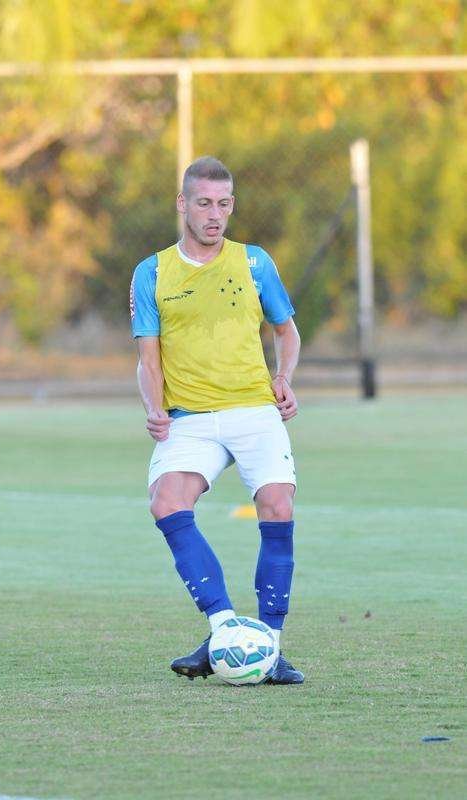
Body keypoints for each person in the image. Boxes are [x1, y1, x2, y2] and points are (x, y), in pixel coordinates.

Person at [130, 156, 304, 685]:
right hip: (191, 418)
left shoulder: (254, 263)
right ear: (183, 204)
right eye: (203, 203)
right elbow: (148, 357)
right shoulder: (153, 272)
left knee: (277, 503)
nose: (214, 215)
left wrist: (285, 377)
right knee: (166, 500)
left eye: (224, 204)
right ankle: (225, 629)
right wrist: (154, 407)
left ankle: (268, 645)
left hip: (253, 408)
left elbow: (287, 333)